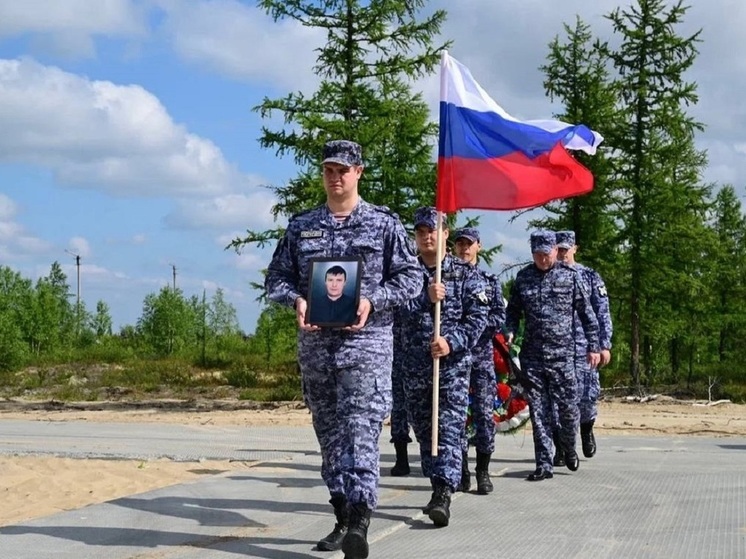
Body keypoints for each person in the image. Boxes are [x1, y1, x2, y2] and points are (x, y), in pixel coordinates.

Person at [265, 140, 422, 559]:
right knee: (330, 435)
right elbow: (276, 279)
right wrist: (296, 300)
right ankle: (341, 511)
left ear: (359, 173)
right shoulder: (302, 226)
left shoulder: (383, 224)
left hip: (365, 347)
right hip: (317, 349)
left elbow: (412, 279)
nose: (335, 177)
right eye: (329, 170)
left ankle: (359, 518)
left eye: (343, 170)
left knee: (362, 430)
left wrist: (374, 300)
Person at [399, 207, 490, 526]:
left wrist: (452, 341)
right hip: (414, 365)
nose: (427, 236)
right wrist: (424, 297)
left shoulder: (466, 274)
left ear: (445, 234)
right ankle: (439, 478)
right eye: (421, 231)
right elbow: (394, 308)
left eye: (433, 230)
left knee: (448, 428)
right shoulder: (405, 272)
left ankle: (442, 493)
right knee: (425, 431)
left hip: (451, 367)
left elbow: (478, 318)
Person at [505, 231, 601, 481]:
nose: (542, 259)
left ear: (555, 252)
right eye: (537, 255)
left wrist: (594, 346)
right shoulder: (524, 278)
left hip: (563, 357)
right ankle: (544, 464)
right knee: (539, 411)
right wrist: (511, 331)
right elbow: (513, 311)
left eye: (546, 254)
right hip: (533, 358)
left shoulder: (570, 277)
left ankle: (569, 446)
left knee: (569, 410)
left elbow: (588, 315)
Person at [452, 227, 506, 495]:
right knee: (456, 415)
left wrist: (474, 328)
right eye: (459, 244)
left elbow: (499, 316)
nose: (464, 249)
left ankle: (482, 470)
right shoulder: (446, 277)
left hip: (481, 355)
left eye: (469, 244)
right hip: (454, 357)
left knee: (484, 414)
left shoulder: (489, 280)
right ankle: (461, 470)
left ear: (478, 247)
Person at [554, 230, 613, 459]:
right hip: (559, 349)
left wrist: (603, 345)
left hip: (587, 348)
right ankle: (563, 448)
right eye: (558, 249)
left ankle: (586, 430)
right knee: (559, 401)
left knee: (588, 396)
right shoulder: (550, 276)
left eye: (566, 250)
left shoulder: (589, 276)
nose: (562, 254)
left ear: (575, 249)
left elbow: (602, 312)